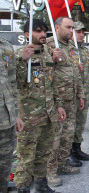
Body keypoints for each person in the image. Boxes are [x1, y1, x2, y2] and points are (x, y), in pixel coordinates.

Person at [14, 19, 66, 193]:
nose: (43, 35)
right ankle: (23, 188)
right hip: (28, 117)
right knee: (26, 156)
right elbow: (15, 84)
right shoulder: (19, 55)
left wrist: (58, 106)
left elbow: (53, 83)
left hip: (48, 114)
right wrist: (22, 61)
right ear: (27, 34)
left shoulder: (47, 55)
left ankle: (41, 184)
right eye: (37, 31)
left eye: (44, 31)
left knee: (44, 153)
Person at [46, 17, 85, 185]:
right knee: (55, 138)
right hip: (57, 101)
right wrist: (51, 60)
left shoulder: (72, 47)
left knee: (67, 136)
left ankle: (62, 164)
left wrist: (81, 95)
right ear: (57, 27)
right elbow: (39, 71)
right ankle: (50, 172)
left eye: (72, 28)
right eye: (68, 27)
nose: (71, 31)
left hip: (72, 100)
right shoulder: (49, 45)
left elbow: (76, 72)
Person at [0, 37, 24, 193]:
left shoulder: (6, 45)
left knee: (3, 169)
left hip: (6, 119)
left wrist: (16, 114)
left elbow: (12, 81)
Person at [69, 21, 89, 162]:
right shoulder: (68, 49)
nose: (81, 35)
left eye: (83, 33)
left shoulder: (84, 50)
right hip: (72, 93)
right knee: (71, 124)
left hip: (84, 92)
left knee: (80, 123)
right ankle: (68, 153)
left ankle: (77, 149)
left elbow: (88, 72)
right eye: (78, 32)